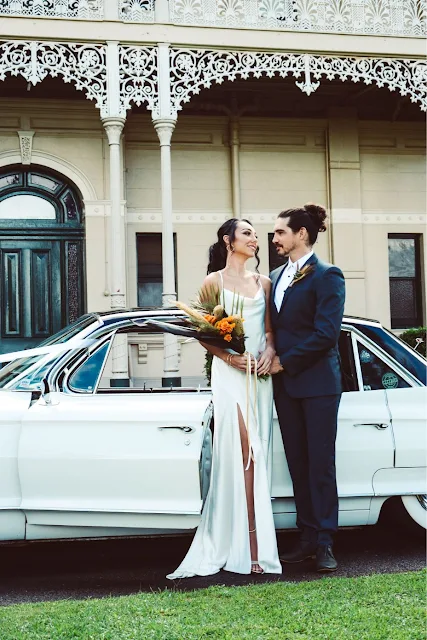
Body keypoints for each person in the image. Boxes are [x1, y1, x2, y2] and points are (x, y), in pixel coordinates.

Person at [167, 218, 282, 579]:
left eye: (255, 235)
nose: (255, 240)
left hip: (259, 376)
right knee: (247, 450)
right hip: (230, 374)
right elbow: (202, 332)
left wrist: (270, 354)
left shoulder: (263, 282)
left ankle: (256, 546)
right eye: (247, 233)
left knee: (255, 454)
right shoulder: (212, 281)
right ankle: (248, 548)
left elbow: (268, 331)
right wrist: (231, 357)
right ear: (228, 240)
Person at [269, 203, 345, 572]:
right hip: (284, 388)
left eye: (280, 232)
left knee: (320, 465)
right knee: (297, 464)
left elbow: (326, 333)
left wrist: (285, 361)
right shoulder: (274, 276)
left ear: (301, 234)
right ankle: (306, 537)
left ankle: (327, 541)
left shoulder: (328, 275)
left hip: (318, 385)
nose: (274, 238)